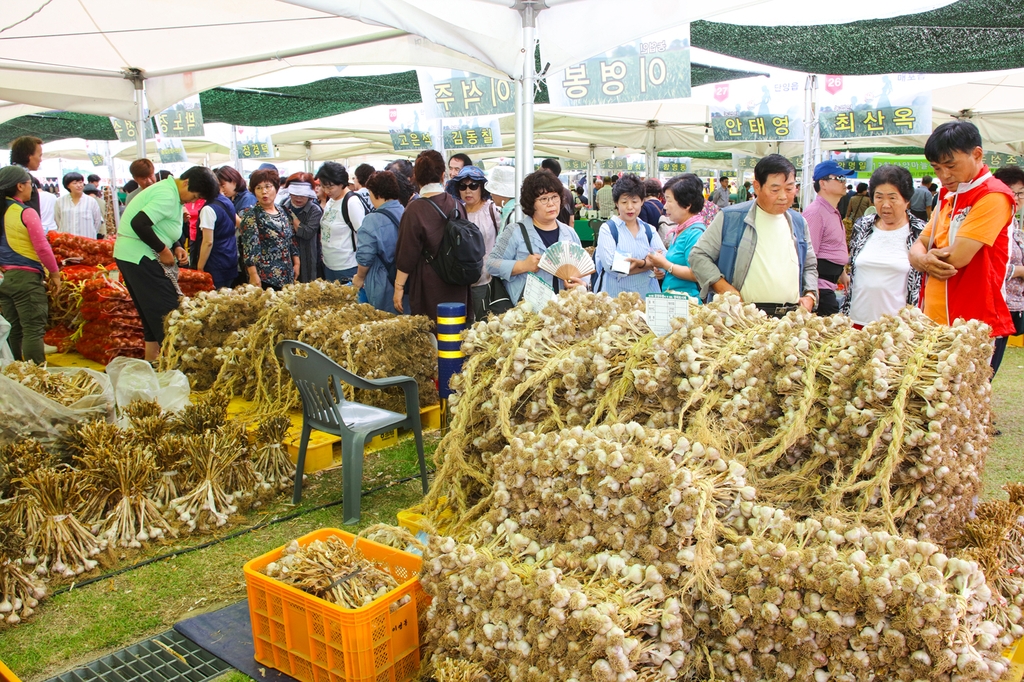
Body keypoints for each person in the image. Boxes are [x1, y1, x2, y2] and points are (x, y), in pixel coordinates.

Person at [909, 120, 1016, 344]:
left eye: (951, 165)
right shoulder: (949, 195)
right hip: (935, 317)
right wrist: (922, 257)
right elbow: (919, 245)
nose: (944, 175)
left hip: (972, 322)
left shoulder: (993, 195)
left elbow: (957, 256)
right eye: (937, 168)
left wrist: (922, 258)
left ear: (977, 154)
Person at [690, 154, 819, 317]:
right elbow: (698, 255)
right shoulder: (731, 218)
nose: (783, 196)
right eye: (775, 189)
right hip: (742, 316)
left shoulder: (799, 222)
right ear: (757, 187)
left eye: (789, 188)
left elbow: (809, 265)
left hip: (789, 318)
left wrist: (810, 295)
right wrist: (722, 287)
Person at [115, 167, 218, 361]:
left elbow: (160, 224)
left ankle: (152, 361)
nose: (192, 201)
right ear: (186, 182)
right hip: (140, 256)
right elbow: (139, 223)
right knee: (167, 314)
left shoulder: (172, 193)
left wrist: (177, 245)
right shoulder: (167, 195)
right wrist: (163, 250)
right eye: (194, 196)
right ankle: (174, 365)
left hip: (133, 255)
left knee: (151, 314)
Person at [840, 165, 926, 327]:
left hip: (898, 330)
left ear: (906, 200)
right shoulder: (863, 226)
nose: (885, 205)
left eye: (893, 198)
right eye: (879, 197)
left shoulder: (920, 232)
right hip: (856, 322)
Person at [393, 150, 473, 319]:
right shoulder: (457, 205)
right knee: (455, 333)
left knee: (431, 333)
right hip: (457, 282)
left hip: (428, 285)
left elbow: (407, 254)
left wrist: (399, 287)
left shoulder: (414, 210)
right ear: (443, 175)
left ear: (416, 176)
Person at [486, 170, 586, 304]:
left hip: (563, 313)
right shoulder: (515, 231)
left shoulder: (570, 233)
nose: (551, 204)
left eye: (555, 197)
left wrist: (580, 284)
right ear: (531, 203)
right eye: (544, 199)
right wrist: (522, 265)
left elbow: (583, 269)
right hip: (527, 314)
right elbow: (492, 264)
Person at [0, 166, 60, 364]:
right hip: (25, 279)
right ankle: (38, 377)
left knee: (13, 329)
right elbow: (42, 247)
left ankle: (14, 373)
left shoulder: (3, 211)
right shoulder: (25, 212)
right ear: (19, 186)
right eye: (30, 184)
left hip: (5, 280)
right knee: (33, 330)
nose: (31, 189)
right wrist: (54, 273)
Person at [593, 174, 666, 300]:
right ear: (616, 203)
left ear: (642, 201)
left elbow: (663, 258)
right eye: (624, 201)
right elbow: (612, 267)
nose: (630, 207)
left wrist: (638, 264)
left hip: (646, 297)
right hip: (616, 299)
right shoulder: (608, 229)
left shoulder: (649, 230)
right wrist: (648, 264)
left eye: (634, 201)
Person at [448, 165, 501, 320]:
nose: (468, 191)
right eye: (463, 186)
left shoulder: (492, 210)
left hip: (487, 280)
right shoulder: (457, 212)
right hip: (461, 283)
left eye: (473, 185)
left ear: (481, 187)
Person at [804, 160, 856, 315]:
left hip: (829, 284)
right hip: (820, 289)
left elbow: (830, 246)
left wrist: (841, 274)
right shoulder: (815, 212)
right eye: (839, 178)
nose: (844, 182)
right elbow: (808, 255)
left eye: (844, 179)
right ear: (823, 183)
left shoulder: (832, 211)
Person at [647, 174, 706, 301]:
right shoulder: (680, 229)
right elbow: (675, 265)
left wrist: (666, 264)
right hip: (674, 302)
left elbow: (696, 274)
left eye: (669, 200)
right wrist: (662, 270)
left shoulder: (695, 233)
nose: (665, 206)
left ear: (687, 204)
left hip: (689, 304)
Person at [239, 168, 299, 291]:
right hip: (265, 277)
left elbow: (291, 239)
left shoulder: (283, 211)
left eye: (268, 186)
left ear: (276, 189)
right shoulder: (251, 216)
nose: (264, 192)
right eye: (258, 188)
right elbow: (250, 249)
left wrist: (297, 263)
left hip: (287, 274)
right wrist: (253, 275)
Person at [353, 171, 404, 314]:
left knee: (384, 324)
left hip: (382, 282)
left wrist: (359, 277)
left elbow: (365, 256)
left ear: (377, 194)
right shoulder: (406, 211)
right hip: (405, 281)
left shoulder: (372, 220)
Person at [991, 165, 1024, 376]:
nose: (1017, 198)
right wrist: (1020, 271)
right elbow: (992, 267)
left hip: (1011, 306)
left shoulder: (1015, 224)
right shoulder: (994, 223)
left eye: (1020, 193)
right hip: (994, 307)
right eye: (1012, 192)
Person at [316, 162, 367, 282]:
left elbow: (364, 237)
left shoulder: (351, 202)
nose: (326, 191)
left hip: (347, 267)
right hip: (329, 265)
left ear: (342, 183)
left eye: (330, 187)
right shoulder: (331, 201)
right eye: (323, 186)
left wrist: (361, 274)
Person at [193, 184, 239, 290]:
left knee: (216, 300)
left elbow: (208, 242)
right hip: (230, 257)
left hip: (215, 262)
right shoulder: (226, 201)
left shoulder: (208, 209)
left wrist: (200, 267)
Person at [9, 136, 58, 234]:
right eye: (39, 155)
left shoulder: (9, 174)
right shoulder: (24, 179)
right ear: (28, 156)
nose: (41, 160)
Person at [281, 173, 323, 283]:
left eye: (303, 195)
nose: (298, 198)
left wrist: (291, 215)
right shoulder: (282, 205)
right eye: (295, 194)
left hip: (308, 257)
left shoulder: (315, 210)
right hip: (287, 258)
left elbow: (306, 233)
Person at [55, 172, 103, 238]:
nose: (79, 185)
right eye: (75, 183)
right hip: (67, 242)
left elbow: (97, 222)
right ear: (67, 185)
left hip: (87, 240)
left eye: (80, 182)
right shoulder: (60, 201)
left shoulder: (91, 201)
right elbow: (58, 220)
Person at [540, 159, 575, 226]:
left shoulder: (542, 193)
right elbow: (572, 220)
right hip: (565, 233)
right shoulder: (568, 193)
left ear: (546, 171)